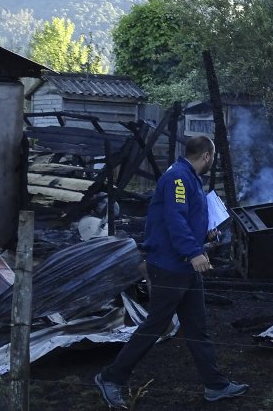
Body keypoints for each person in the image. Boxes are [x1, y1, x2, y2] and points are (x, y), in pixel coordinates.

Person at [95, 136, 249, 408]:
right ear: (207, 156)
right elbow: (174, 218)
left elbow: (185, 218)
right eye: (212, 157)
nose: (212, 160)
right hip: (170, 265)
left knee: (197, 327)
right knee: (155, 325)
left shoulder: (189, 177)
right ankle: (111, 378)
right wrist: (194, 252)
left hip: (183, 267)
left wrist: (205, 233)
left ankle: (215, 386)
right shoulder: (178, 178)